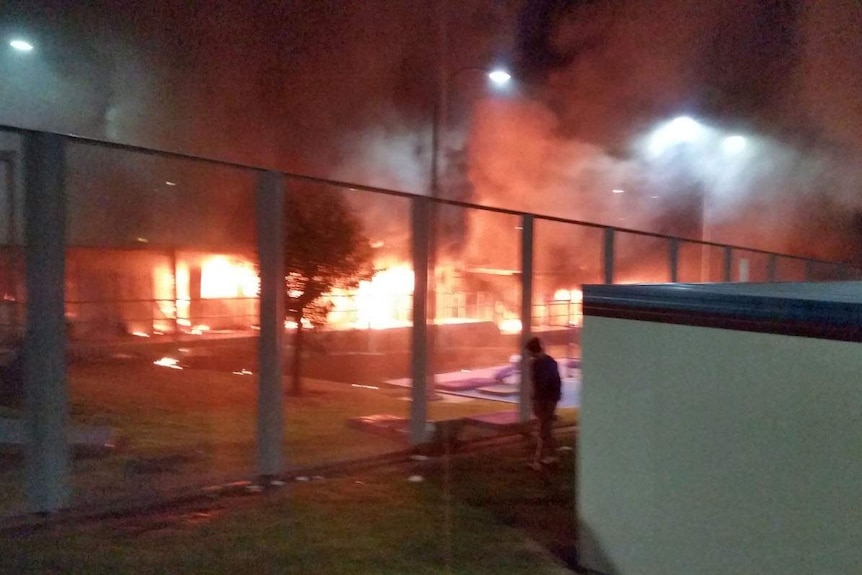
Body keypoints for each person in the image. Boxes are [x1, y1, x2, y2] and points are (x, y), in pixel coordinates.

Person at [525, 336, 561, 471]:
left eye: (529, 352)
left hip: (547, 400)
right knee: (545, 429)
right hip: (546, 399)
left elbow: (543, 385)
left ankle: (546, 458)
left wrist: (537, 401)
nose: (529, 355)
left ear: (533, 351)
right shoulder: (545, 363)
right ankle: (549, 456)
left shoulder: (543, 364)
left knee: (544, 429)